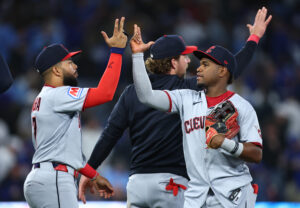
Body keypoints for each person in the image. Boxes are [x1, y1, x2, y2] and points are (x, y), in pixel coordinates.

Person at [78, 7, 271, 208]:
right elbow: (230, 69)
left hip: (136, 184)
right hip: (171, 184)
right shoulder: (186, 90)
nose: (189, 61)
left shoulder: (131, 92)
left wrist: (89, 171)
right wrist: (254, 38)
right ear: (172, 62)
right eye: (184, 57)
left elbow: (110, 135)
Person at [131, 17, 267, 208]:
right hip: (196, 197)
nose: (199, 68)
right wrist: (137, 56)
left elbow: (256, 154)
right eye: (200, 63)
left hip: (232, 196)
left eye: (205, 64)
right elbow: (146, 96)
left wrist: (226, 144)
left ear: (221, 71)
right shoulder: (185, 98)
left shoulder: (241, 106)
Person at [23, 17, 128, 208]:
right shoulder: (58, 95)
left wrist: (94, 176)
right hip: (54, 179)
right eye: (69, 62)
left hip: (45, 177)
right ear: (56, 70)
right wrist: (117, 52)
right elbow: (106, 93)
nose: (75, 66)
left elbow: (69, 154)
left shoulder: (45, 97)